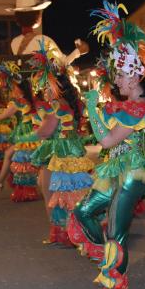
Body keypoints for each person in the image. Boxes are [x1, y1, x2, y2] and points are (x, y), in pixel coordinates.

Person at [67, 0, 145, 289]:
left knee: (115, 232)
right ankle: (107, 259)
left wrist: (92, 107)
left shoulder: (142, 109)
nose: (117, 80)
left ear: (135, 77)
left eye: (120, 75)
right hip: (116, 169)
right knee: (83, 212)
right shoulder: (126, 107)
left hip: (133, 172)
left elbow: (108, 138)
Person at [27, 41, 94, 245]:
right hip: (70, 149)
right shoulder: (69, 103)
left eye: (46, 86)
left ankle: (59, 232)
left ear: (55, 86)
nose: (44, 90)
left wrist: (28, 135)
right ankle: (74, 230)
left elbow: (46, 131)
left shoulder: (57, 105)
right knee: (70, 192)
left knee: (51, 191)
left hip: (59, 150)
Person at [0, 63, 41, 202]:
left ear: (20, 89)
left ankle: (4, 182)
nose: (12, 90)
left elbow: (3, 115)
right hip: (29, 132)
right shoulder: (30, 100)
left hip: (28, 135)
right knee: (18, 157)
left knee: (21, 159)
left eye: (15, 88)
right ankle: (1, 181)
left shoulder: (19, 102)